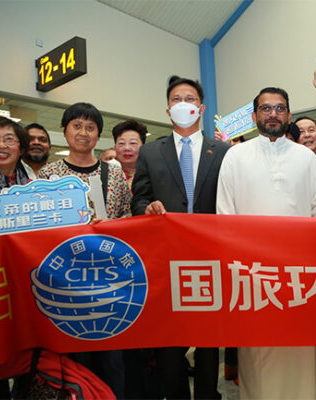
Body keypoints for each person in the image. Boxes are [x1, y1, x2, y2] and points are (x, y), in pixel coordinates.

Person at [217, 87, 316, 399]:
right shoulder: (235, 156)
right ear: (254, 116)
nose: (273, 114)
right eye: (266, 108)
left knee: (301, 347)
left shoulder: (304, 157)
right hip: (253, 273)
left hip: (299, 272)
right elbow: (225, 215)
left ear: (289, 115)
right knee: (258, 350)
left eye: (280, 108)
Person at [131, 76, 228, 400]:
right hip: (166, 260)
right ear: (168, 109)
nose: (183, 104)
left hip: (210, 258)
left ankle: (208, 395)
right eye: (176, 99)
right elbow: (139, 199)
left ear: (201, 108)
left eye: (190, 98)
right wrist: (147, 208)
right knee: (170, 341)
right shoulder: (150, 152)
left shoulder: (223, 152)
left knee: (208, 340)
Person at [37, 102, 130, 397]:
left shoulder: (113, 174)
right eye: (76, 126)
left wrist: (113, 227)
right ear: (65, 131)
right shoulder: (49, 175)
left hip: (110, 280)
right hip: (66, 281)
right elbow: (40, 226)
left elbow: (129, 218)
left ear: (98, 135)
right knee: (74, 360)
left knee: (112, 359)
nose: (83, 132)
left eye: (90, 127)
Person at [0, 115, 31, 399]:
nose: (1, 145)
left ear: (20, 147)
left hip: (28, 289)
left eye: (9, 139)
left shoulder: (38, 188)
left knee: (31, 365)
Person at [112, 119, 148, 190]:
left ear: (143, 147)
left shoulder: (152, 175)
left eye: (133, 143)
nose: (127, 148)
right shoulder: (107, 175)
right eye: (121, 143)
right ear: (115, 147)